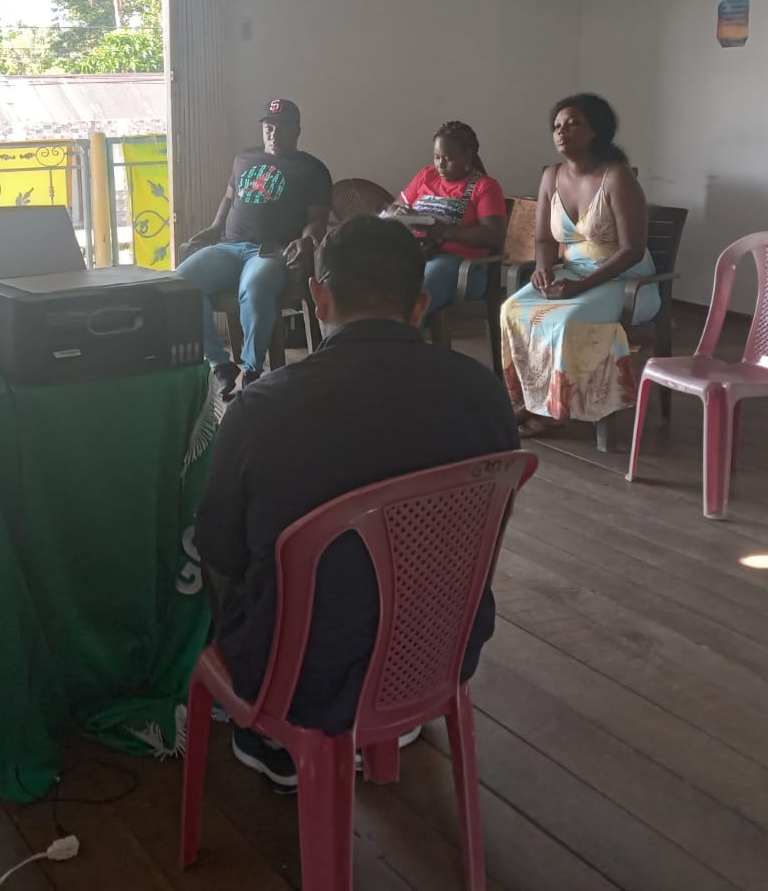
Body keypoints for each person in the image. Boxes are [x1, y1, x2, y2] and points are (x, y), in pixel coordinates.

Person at [194, 215, 520, 791]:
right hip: (435, 654)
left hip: (295, 675)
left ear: (319, 297)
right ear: (421, 305)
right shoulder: (485, 394)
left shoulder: (262, 409)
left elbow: (220, 548)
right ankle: (390, 722)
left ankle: (273, 737)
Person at [500, 94, 659, 438]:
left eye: (574, 123)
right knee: (512, 309)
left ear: (596, 130)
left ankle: (551, 410)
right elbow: (544, 239)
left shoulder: (616, 177)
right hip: (572, 274)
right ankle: (530, 399)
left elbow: (633, 250)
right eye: (557, 126)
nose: (562, 131)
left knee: (567, 319)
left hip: (625, 281)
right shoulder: (551, 176)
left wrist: (581, 287)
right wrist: (543, 269)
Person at [176, 99, 332, 399]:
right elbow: (229, 197)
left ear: (297, 130)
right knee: (179, 284)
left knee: (255, 288)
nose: (274, 134)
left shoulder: (312, 169)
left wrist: (307, 240)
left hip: (272, 252)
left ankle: (251, 371)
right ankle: (221, 365)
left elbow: (317, 220)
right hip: (228, 247)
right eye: (269, 127)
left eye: (282, 127)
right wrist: (215, 227)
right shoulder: (244, 158)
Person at [385, 121, 507, 317]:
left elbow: (494, 236)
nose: (440, 165)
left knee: (416, 291)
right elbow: (393, 206)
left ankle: (401, 333)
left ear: (467, 156)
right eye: (436, 157)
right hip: (416, 254)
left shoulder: (484, 186)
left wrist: (442, 230)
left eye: (448, 159)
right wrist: (400, 212)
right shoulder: (426, 176)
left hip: (461, 266)